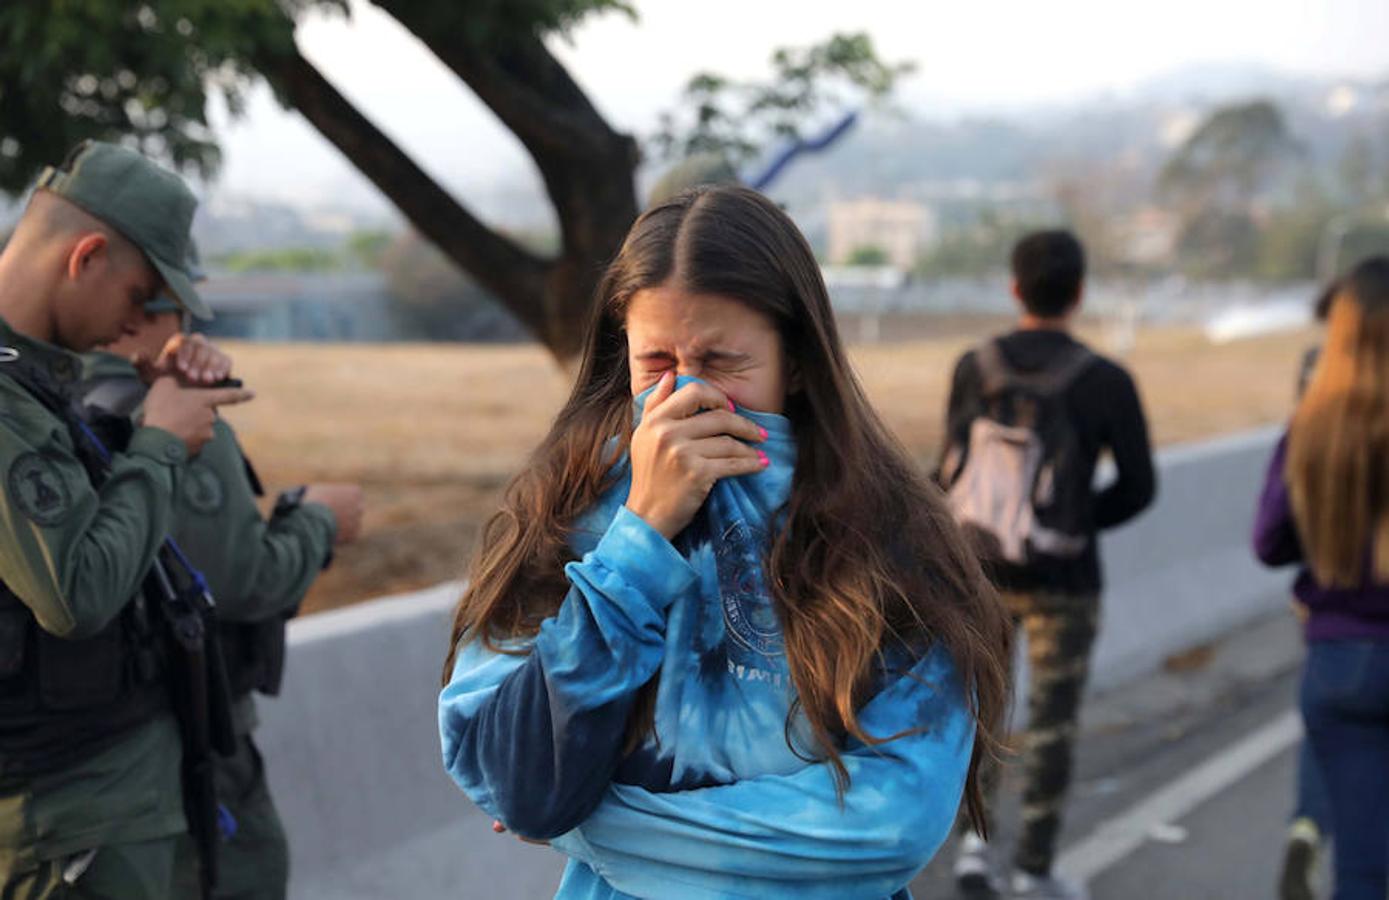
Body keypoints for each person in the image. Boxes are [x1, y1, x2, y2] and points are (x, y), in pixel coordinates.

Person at [438, 184, 1011, 898]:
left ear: (796, 362)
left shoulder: (891, 541)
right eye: (655, 363)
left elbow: (886, 828)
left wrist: (586, 824)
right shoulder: (567, 510)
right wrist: (638, 539)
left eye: (720, 363)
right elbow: (509, 771)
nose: (683, 398)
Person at [0, 140, 253, 898]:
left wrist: (154, 397)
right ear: (87, 257)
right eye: (142, 296)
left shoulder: (32, 378)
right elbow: (74, 590)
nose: (138, 323)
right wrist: (161, 443)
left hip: (98, 798)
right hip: (69, 817)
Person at [80, 289, 365, 900]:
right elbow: (242, 581)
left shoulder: (42, 403)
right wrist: (318, 521)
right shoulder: (163, 416)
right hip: (187, 749)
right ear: (151, 311)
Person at [938, 229, 1156, 899]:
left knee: (982, 713)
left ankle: (973, 850)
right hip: (1066, 582)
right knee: (1053, 722)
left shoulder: (972, 366)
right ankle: (1033, 870)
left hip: (981, 576)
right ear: (1079, 292)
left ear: (1013, 288)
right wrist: (1073, 524)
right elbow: (1138, 487)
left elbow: (949, 469)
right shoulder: (1106, 380)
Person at [1254, 256, 1389, 900]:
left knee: (1363, 868)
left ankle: (1308, 832)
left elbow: (1269, 541)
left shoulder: (1311, 430)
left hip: (1342, 662)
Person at [1280, 277, 1340, 900]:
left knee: (1326, 723)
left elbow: (1280, 512)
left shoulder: (1313, 370)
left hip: (1324, 596)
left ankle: (1306, 822)